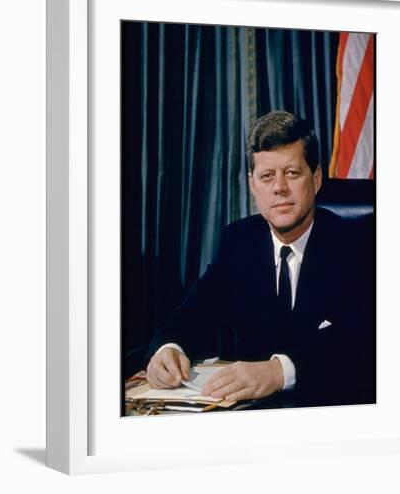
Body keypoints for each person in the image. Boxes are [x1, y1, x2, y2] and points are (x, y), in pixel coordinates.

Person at [145, 110, 375, 407]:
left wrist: (279, 372)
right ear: (254, 186)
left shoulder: (358, 245)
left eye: (292, 173)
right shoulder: (238, 241)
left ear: (316, 179)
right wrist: (168, 347)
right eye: (267, 176)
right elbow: (194, 312)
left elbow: (365, 344)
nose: (279, 187)